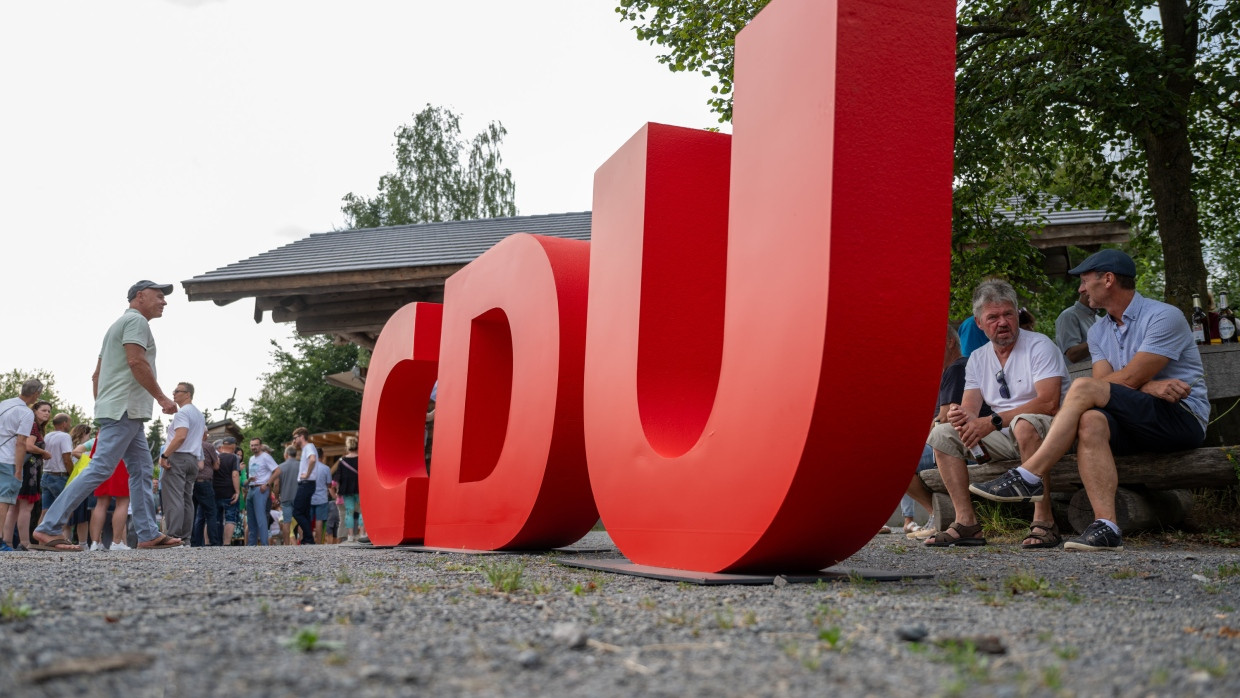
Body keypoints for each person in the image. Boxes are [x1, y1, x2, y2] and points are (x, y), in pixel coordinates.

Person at [970, 250, 1209, 551]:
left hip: (1179, 418)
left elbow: (1120, 381)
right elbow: (1107, 388)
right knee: (1091, 418)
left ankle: (1029, 473)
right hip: (1134, 422)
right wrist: (1150, 386)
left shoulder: (1163, 317)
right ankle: (1107, 527)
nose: (1081, 289)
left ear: (1108, 280)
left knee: (1084, 387)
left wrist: (1138, 384)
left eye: (1085, 281)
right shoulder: (1098, 331)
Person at [32, 280, 183, 552]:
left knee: (141, 470)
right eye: (159, 296)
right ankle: (48, 528)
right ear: (140, 297)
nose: (164, 302)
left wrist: (103, 405)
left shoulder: (115, 326)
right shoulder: (137, 323)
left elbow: (96, 375)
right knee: (100, 468)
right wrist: (161, 397)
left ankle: (148, 533)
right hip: (124, 409)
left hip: (123, 410)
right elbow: (136, 361)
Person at [922, 279, 1069, 548]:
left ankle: (1044, 522)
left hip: (1051, 431)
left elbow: (1049, 403)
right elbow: (970, 408)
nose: (1002, 322)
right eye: (993, 317)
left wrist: (992, 421)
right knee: (942, 434)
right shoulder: (978, 357)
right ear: (979, 323)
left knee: (1025, 425)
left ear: (1016, 314)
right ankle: (967, 523)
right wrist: (959, 415)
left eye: (1008, 314)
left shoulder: (1040, 345)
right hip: (1003, 432)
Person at [0, 379, 43, 552]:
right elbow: (21, 443)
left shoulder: (4, 404)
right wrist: (18, 470)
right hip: (7, 460)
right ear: (36, 393)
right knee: (3, 501)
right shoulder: (26, 413)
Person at [159, 382, 205, 542]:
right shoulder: (199, 414)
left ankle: (173, 535)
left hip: (178, 457)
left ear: (188, 394)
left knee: (174, 497)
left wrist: (165, 455)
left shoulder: (182, 413)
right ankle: (185, 537)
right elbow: (204, 435)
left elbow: (181, 436)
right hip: (192, 458)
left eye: (177, 391)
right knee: (186, 498)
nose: (173, 393)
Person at [6, 400, 52, 550]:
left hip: (23, 468)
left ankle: (7, 541)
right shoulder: (33, 425)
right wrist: (44, 452)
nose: (47, 413)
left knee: (15, 507)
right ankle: (24, 542)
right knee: (26, 507)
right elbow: (28, 445)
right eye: (43, 410)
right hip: (28, 471)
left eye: (49, 411)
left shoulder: (33, 426)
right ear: (35, 411)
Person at [39, 413, 76, 541]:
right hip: (59, 477)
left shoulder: (48, 435)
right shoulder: (65, 437)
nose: (70, 425)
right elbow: (67, 458)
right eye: (69, 422)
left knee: (45, 510)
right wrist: (73, 475)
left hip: (46, 475)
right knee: (66, 509)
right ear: (64, 423)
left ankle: (41, 540)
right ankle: (62, 538)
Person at [245, 437, 279, 546]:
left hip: (261, 489)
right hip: (251, 488)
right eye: (252, 445)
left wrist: (268, 484)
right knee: (251, 519)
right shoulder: (251, 459)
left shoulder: (265, 457)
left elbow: (278, 470)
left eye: (256, 445)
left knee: (261, 518)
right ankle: (252, 545)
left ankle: (265, 545)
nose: (254, 447)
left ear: (260, 446)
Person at [190, 431, 220, 547]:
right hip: (205, 482)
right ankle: (214, 542)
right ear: (204, 434)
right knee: (211, 513)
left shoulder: (189, 444)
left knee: (192, 514)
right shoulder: (208, 446)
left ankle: (194, 542)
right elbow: (217, 465)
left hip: (191, 483)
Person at [1055, 290, 1098, 363]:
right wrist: (1102, 339)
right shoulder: (1069, 315)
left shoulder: (1100, 319)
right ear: (1084, 291)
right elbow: (1072, 355)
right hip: (1078, 373)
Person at [291, 427, 318, 545]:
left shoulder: (309, 447)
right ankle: (308, 539)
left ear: (302, 437)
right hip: (308, 484)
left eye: (295, 438)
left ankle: (308, 538)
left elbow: (312, 459)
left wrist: (307, 474)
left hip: (306, 483)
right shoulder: (306, 449)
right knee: (305, 512)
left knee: (296, 511)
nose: (294, 440)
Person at [213, 437, 241, 545]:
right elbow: (235, 474)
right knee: (230, 518)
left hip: (215, 491)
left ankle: (209, 543)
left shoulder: (217, 457)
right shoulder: (234, 458)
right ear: (233, 446)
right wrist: (237, 491)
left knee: (214, 519)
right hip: (229, 492)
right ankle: (227, 543)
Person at [334, 436, 362, 542]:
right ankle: (362, 534)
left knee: (349, 512)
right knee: (362, 512)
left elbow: (337, 478)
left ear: (347, 446)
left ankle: (350, 536)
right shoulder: (361, 459)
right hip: (360, 489)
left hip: (346, 490)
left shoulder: (342, 461)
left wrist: (337, 490)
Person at [272, 445, 300, 545]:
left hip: (286, 498)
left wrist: (276, 497)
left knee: (286, 522)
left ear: (286, 454)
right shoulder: (301, 465)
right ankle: (303, 544)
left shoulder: (280, 467)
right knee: (301, 521)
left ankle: (287, 545)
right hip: (299, 498)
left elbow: (276, 484)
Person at [311, 455, 332, 544]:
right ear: (322, 457)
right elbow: (329, 484)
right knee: (319, 520)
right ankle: (319, 542)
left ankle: (308, 540)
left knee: (308, 520)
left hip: (310, 497)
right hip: (322, 498)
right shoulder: (326, 468)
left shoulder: (309, 468)